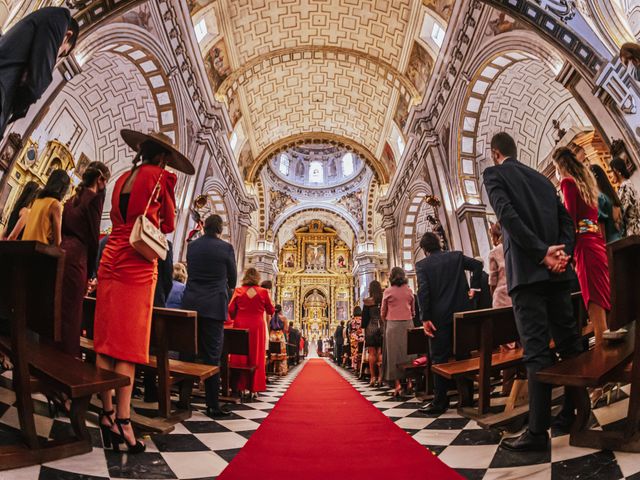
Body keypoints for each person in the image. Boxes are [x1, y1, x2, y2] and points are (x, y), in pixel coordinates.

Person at [483, 132, 586, 452]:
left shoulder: (494, 173)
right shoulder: (542, 180)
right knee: (570, 344)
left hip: (527, 276)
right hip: (557, 275)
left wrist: (541, 253)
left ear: (495, 153)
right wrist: (562, 254)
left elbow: (507, 217)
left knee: (537, 350)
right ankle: (579, 413)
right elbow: (566, 221)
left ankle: (537, 432)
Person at [94, 129, 191, 453]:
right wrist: (168, 187)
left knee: (106, 340)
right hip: (137, 262)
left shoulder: (123, 177)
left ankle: (106, 412)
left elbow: (119, 217)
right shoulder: (161, 178)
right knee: (129, 345)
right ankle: (123, 420)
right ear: (163, 158)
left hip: (110, 259)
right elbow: (168, 224)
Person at [416, 233, 483, 413]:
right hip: (462, 315)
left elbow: (424, 292)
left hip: (438, 319)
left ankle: (440, 401)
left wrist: (425, 318)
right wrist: (474, 289)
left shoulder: (423, 265)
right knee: (464, 355)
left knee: (439, 359)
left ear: (424, 250)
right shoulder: (456, 256)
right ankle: (467, 397)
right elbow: (478, 265)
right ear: (439, 244)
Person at [553, 147, 611, 344]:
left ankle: (604, 355)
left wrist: (566, 252)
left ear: (559, 166)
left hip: (584, 246)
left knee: (593, 298)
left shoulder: (567, 183)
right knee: (603, 296)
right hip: (597, 242)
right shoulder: (586, 182)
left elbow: (570, 220)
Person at [182, 214, 236, 418]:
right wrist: (223, 296)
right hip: (214, 307)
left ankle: (183, 400)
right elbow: (232, 280)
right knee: (213, 356)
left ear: (203, 227)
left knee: (188, 352)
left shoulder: (192, 247)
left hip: (191, 304)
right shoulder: (226, 248)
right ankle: (212, 405)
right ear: (220, 230)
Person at [0, 7, 79, 139]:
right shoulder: (61, 17)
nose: (56, 58)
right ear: (67, 37)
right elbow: (36, 86)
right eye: (61, 53)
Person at [59, 161, 110, 357]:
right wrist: (91, 272)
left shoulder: (72, 199)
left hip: (63, 252)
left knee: (59, 308)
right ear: (100, 179)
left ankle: (50, 353)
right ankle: (66, 361)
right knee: (72, 314)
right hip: (78, 256)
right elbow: (93, 237)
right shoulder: (94, 199)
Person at [229, 268, 274, 395]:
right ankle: (254, 387)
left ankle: (239, 386)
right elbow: (271, 310)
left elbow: (230, 310)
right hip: (257, 327)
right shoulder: (264, 292)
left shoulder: (238, 291)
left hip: (240, 325)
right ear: (258, 278)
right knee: (257, 355)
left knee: (239, 356)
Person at [489, 223, 517, 395]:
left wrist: (494, 295)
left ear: (494, 236)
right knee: (521, 340)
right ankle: (524, 379)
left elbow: (492, 281)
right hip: (517, 296)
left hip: (501, 299)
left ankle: (508, 387)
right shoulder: (514, 244)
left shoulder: (495, 252)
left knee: (507, 345)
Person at [381, 267, 416, 397]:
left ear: (392, 277)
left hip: (393, 325)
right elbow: (413, 310)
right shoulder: (409, 290)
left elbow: (383, 312)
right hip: (408, 324)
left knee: (393, 355)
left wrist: (387, 319)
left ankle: (398, 385)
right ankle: (410, 382)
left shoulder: (388, 291)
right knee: (409, 354)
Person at [22, 169, 70, 246]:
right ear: (63, 189)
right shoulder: (55, 204)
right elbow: (58, 242)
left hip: (25, 247)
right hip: (38, 252)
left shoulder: (37, 200)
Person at [590, 164, 624, 243]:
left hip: (611, 245)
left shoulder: (600, 198)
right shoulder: (613, 196)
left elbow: (601, 229)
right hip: (623, 239)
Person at [610, 157, 640, 236]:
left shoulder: (625, 187)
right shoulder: (628, 184)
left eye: (611, 171)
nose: (610, 175)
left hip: (633, 231)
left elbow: (621, 213)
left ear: (617, 171)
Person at [362, 281, 384, 386]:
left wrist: (364, 330)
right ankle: (380, 377)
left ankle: (372, 377)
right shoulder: (383, 299)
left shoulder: (367, 302)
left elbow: (365, 319)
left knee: (371, 353)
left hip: (370, 327)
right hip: (381, 326)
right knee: (380, 352)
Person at [269, 304, 288, 375]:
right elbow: (286, 329)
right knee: (281, 354)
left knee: (273, 353)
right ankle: (282, 370)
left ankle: (273, 369)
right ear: (281, 310)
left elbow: (269, 327)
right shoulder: (284, 318)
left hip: (272, 335)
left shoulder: (272, 318)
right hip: (280, 335)